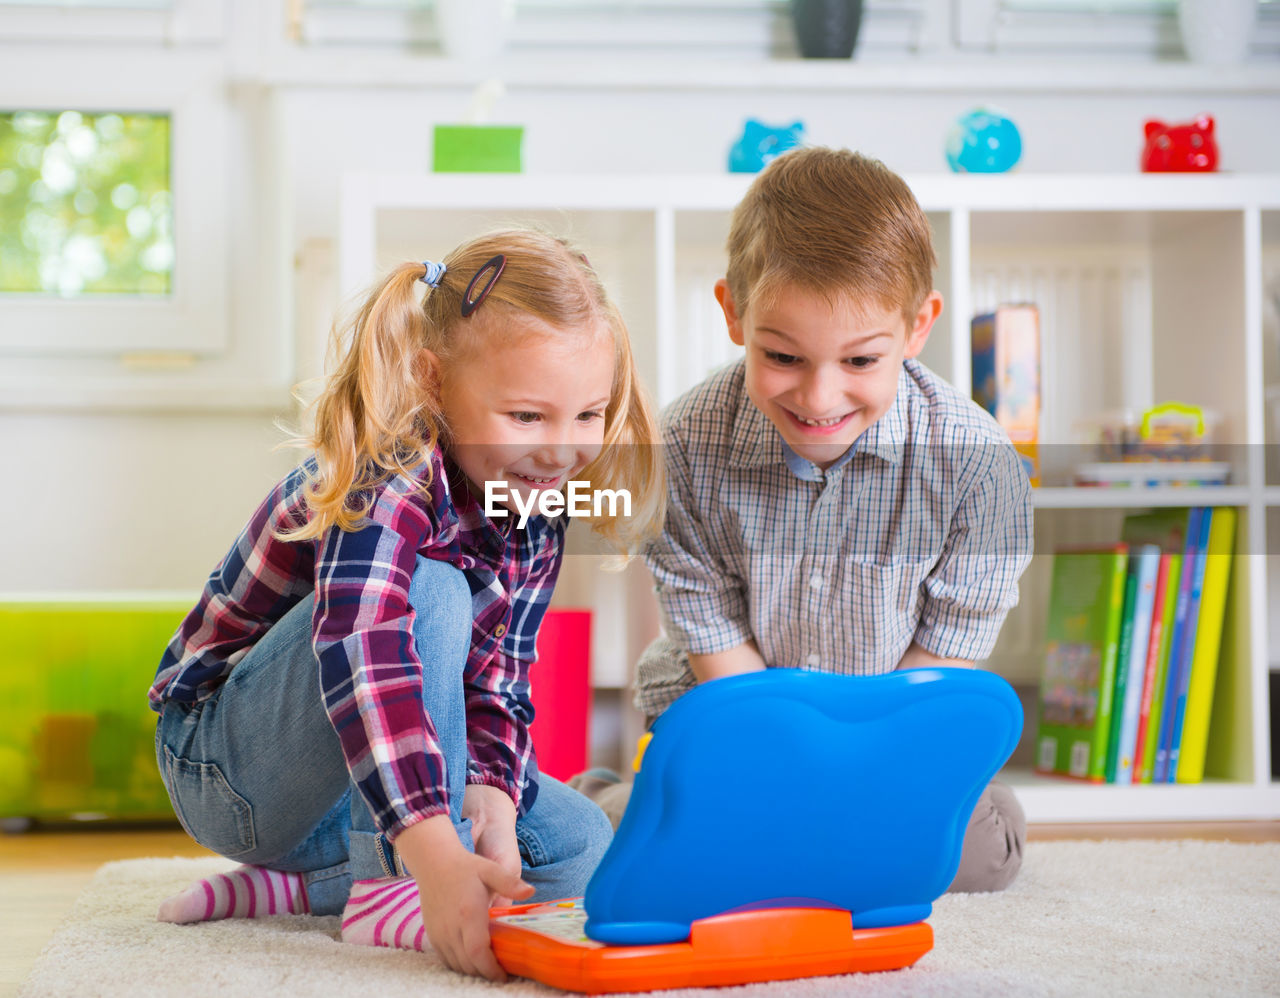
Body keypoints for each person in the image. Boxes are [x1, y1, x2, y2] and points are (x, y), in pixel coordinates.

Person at [148, 228, 664, 981]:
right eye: (527, 417)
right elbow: (366, 652)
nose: (561, 452)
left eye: (586, 415)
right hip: (230, 772)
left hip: (370, 791)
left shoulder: (535, 495)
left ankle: (314, 887)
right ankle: (391, 881)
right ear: (432, 382)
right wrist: (431, 848)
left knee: (578, 849)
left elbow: (501, 675)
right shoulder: (385, 469)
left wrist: (489, 784)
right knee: (433, 590)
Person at [571, 147, 1034, 893]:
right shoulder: (685, 446)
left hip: (888, 733)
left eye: (859, 362)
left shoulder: (980, 466)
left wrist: (858, 773)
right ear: (733, 313)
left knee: (980, 861)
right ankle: (607, 796)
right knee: (668, 848)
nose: (819, 399)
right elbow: (714, 644)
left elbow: (941, 662)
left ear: (918, 328)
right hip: (729, 717)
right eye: (783, 356)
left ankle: (965, 805)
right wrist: (787, 773)